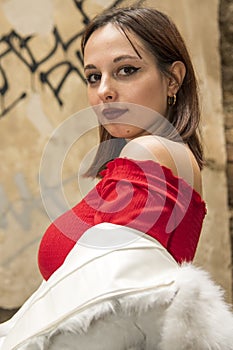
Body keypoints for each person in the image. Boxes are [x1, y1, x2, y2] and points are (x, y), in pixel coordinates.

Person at [0, 5, 233, 350]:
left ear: (173, 79)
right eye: (93, 76)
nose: (104, 90)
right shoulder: (156, 156)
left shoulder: (149, 151)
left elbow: (110, 305)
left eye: (126, 70)